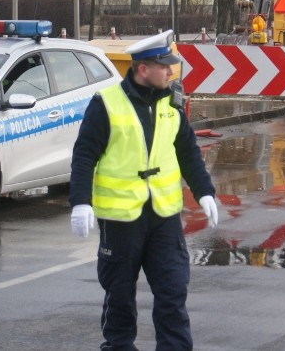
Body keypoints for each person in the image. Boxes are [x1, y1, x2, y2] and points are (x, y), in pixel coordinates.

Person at [69, 29, 217, 351]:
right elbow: (84, 156)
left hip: (163, 215)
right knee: (120, 296)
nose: (171, 71)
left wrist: (205, 191)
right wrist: (81, 202)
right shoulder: (106, 104)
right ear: (143, 69)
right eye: (164, 66)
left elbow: (187, 150)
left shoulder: (172, 103)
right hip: (121, 219)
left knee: (173, 292)